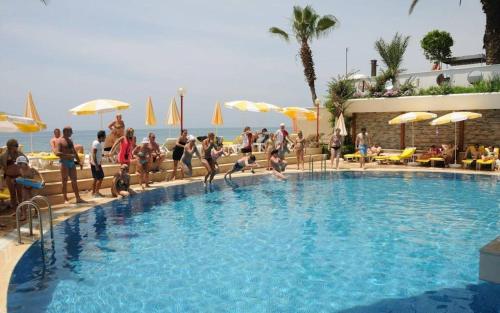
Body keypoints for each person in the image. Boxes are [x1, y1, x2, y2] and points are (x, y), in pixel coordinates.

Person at [56, 126, 85, 204]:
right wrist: (68, 155)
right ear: (65, 131)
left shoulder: (70, 140)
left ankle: (78, 198)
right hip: (64, 163)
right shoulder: (60, 141)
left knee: (74, 181)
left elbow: (74, 152)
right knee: (64, 181)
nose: (71, 133)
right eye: (70, 132)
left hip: (72, 163)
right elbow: (57, 153)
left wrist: (79, 162)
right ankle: (65, 199)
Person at [0, 139, 26, 208]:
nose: (17, 147)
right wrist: (1, 183)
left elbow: (26, 162)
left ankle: (23, 212)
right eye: (16, 145)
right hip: (9, 177)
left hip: (19, 176)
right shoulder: (3, 156)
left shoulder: (20, 154)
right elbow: (1, 168)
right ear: (10, 146)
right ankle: (15, 211)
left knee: (20, 194)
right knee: (12, 195)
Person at [90, 130, 106, 198]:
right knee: (101, 177)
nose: (105, 138)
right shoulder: (97, 144)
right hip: (96, 164)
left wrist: (104, 155)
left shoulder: (96, 142)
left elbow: (96, 154)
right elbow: (93, 154)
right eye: (104, 136)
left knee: (95, 178)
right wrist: (96, 165)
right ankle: (96, 192)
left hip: (95, 163)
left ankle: (93, 192)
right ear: (101, 137)